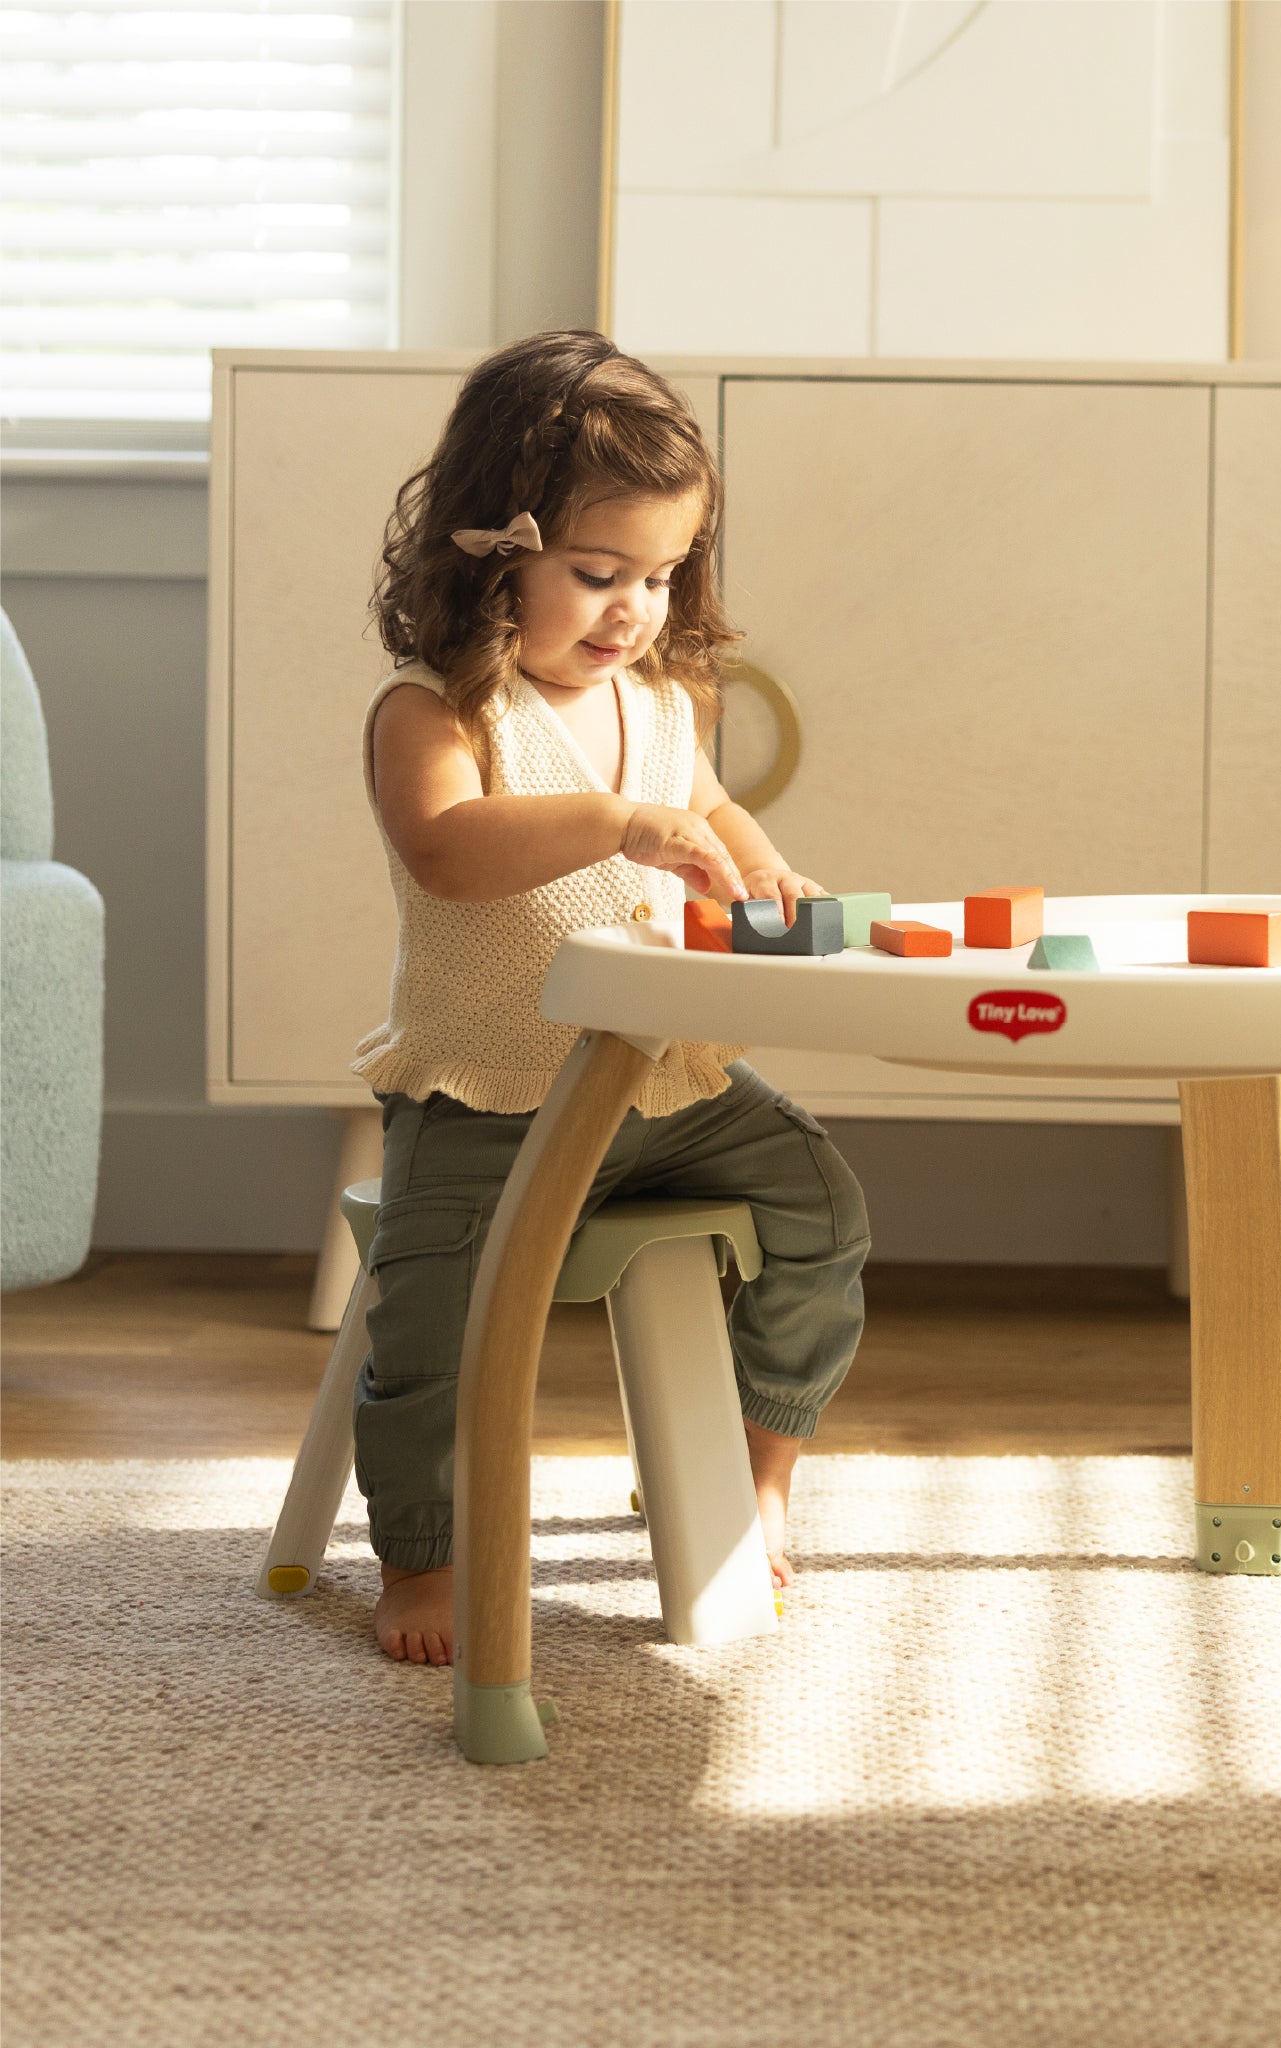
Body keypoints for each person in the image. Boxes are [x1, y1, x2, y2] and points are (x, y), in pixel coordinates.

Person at [351, 330, 868, 1666]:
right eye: (596, 575)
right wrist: (616, 823)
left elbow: (714, 813)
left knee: (823, 1208)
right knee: (432, 1328)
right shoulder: (435, 712)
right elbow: (446, 849)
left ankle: (753, 1476)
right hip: (490, 1101)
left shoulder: (661, 703)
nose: (632, 608)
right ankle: (424, 1554)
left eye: (660, 576)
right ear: (488, 552)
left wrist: (766, 876)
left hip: (666, 1089)